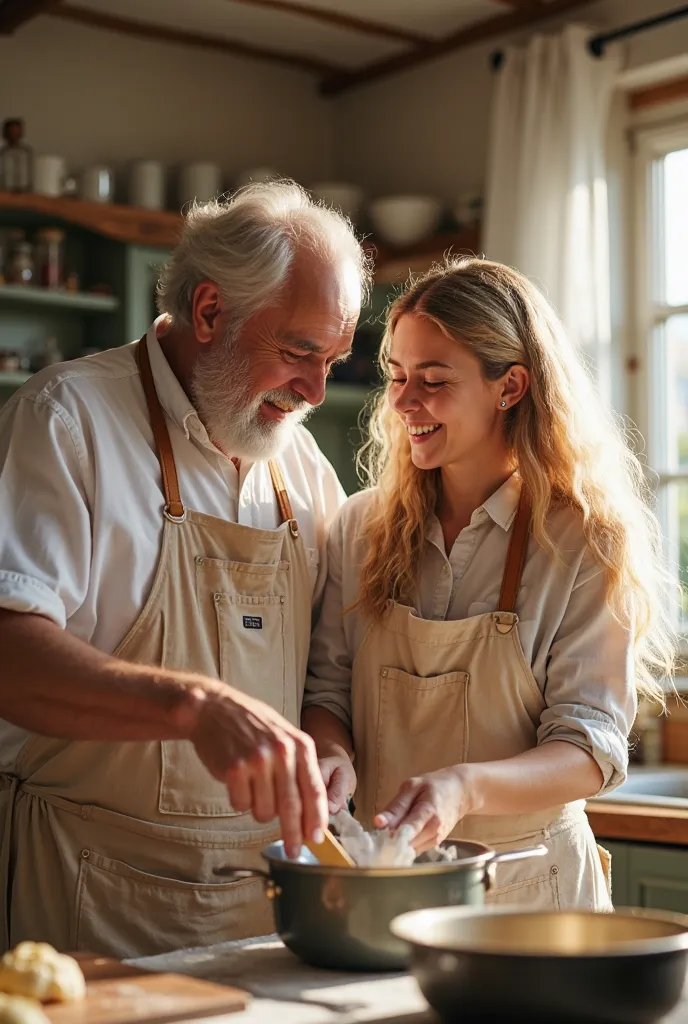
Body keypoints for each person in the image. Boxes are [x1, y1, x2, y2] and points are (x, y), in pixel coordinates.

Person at [0, 182, 370, 956]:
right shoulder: (68, 420)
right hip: (90, 899)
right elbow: (10, 658)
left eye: (332, 360)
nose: (316, 390)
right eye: (300, 351)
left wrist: (329, 749)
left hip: (265, 914)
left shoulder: (300, 467)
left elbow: (324, 677)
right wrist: (193, 706)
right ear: (209, 312)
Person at [303, 257, 676, 909]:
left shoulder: (584, 540)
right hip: (393, 883)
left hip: (536, 890)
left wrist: (463, 788)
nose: (403, 401)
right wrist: (331, 754)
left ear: (509, 388)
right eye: (396, 376)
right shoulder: (360, 528)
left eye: (434, 380)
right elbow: (328, 695)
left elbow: (590, 751)